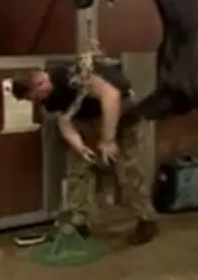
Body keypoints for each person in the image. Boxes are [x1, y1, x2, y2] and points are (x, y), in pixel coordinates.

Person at [11, 58, 159, 245]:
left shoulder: (73, 76)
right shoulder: (48, 95)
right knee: (77, 169)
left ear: (40, 82)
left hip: (123, 117)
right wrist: (79, 147)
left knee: (130, 171)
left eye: (35, 96)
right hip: (87, 120)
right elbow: (64, 121)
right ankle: (79, 223)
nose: (37, 101)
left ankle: (146, 220)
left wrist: (108, 139)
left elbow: (111, 95)